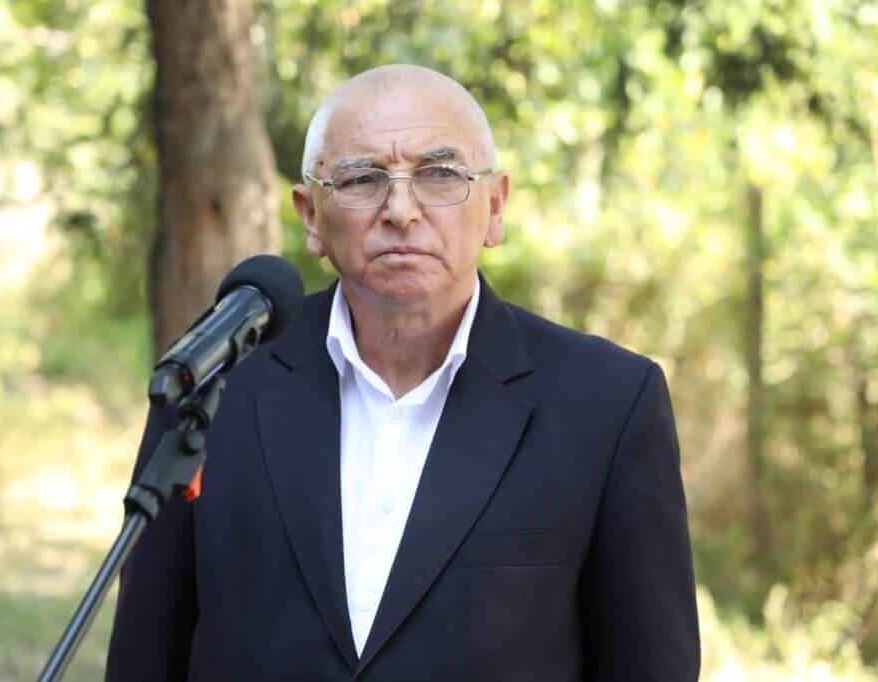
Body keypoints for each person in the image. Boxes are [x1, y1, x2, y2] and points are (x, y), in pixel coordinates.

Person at [106, 64, 700, 681]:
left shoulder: (607, 405)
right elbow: (144, 658)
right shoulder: (214, 388)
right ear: (310, 216)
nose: (400, 209)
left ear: (495, 206)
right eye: (362, 179)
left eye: (439, 175)